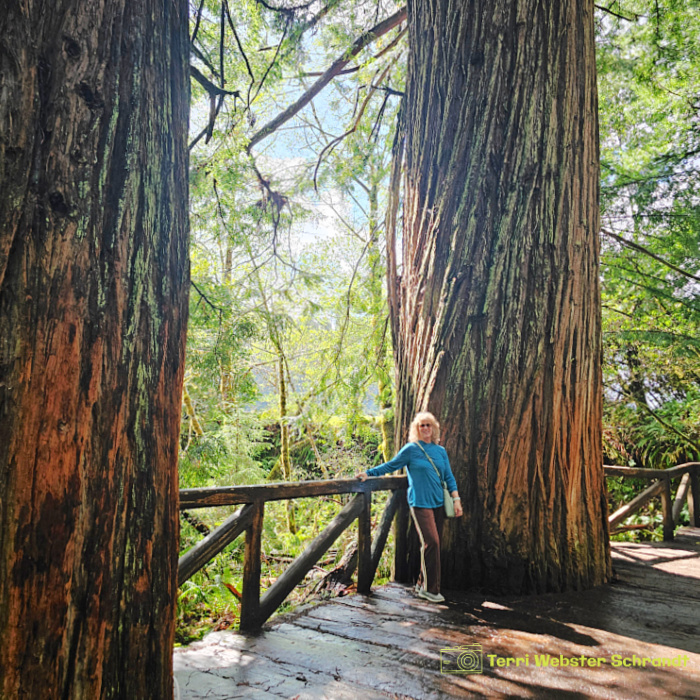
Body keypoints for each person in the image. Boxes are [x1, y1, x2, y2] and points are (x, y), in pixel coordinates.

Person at [357, 411, 462, 603]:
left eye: (428, 425)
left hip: (438, 502)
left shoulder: (440, 451)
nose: (425, 428)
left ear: (434, 428)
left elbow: (448, 476)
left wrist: (456, 500)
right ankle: (432, 589)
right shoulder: (411, 449)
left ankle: (422, 584)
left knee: (431, 545)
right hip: (420, 503)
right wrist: (368, 473)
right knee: (433, 543)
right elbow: (391, 465)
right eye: (421, 425)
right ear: (416, 429)